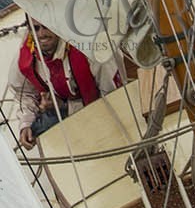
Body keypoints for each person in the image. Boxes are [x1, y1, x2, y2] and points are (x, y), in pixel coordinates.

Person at [8, 18, 122, 150]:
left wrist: (66, 107)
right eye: (35, 28)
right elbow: (25, 93)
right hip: (64, 106)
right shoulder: (26, 57)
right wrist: (26, 123)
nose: (41, 34)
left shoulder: (94, 51)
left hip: (98, 107)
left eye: (46, 26)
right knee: (34, 130)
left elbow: (113, 98)